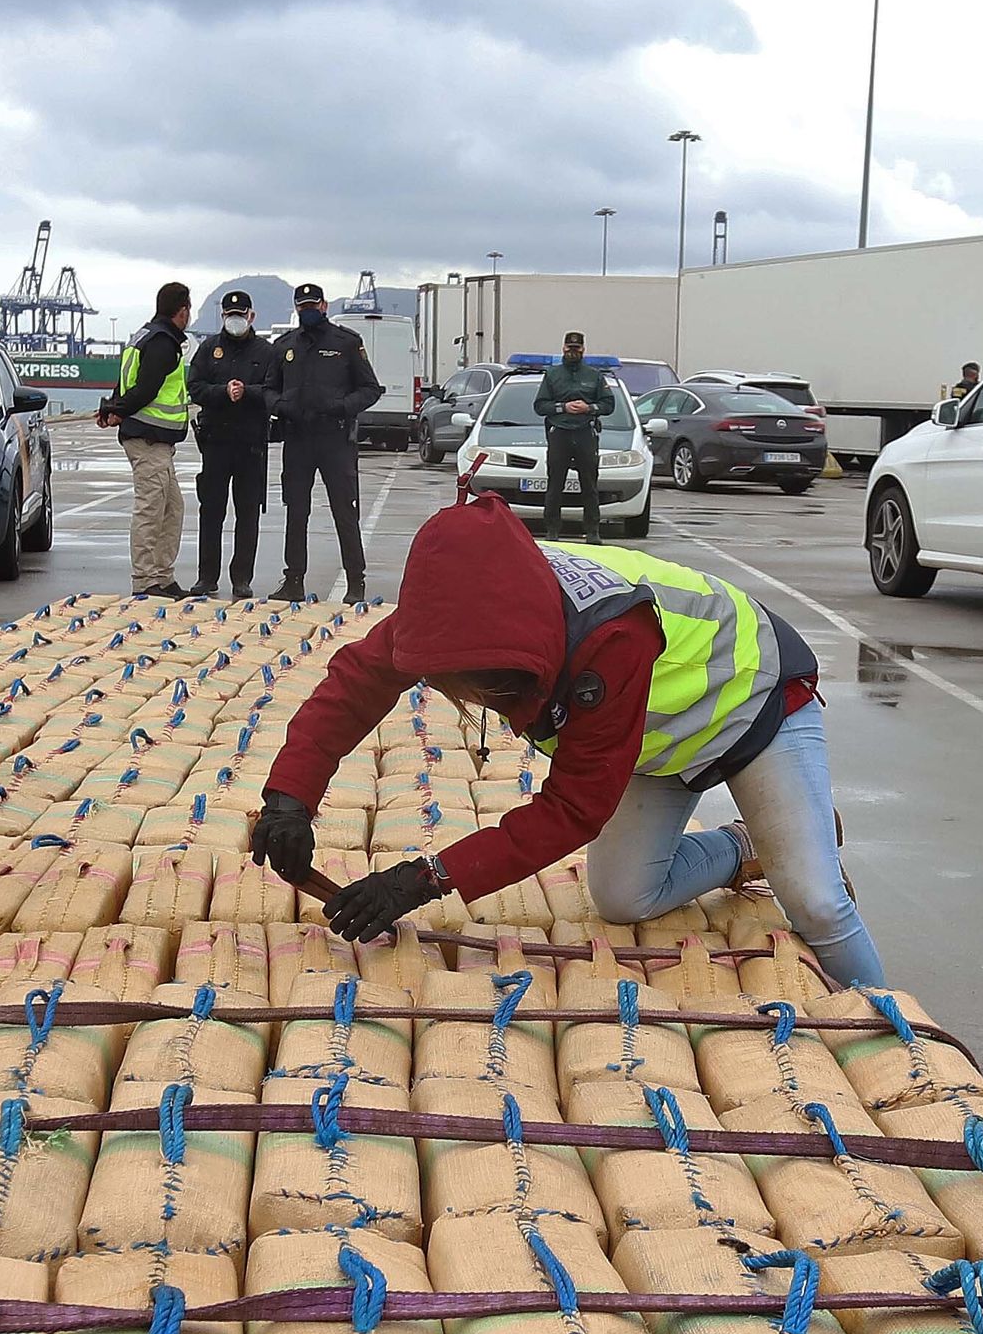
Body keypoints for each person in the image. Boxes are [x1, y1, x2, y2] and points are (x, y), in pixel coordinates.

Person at [251, 487, 884, 988]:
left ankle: (895, 1034)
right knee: (624, 897)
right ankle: (745, 846)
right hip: (649, 738)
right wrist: (289, 796)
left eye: (466, 690)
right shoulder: (461, 606)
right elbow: (359, 680)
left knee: (818, 903)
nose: (459, 699)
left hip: (755, 700)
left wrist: (425, 880)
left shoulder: (610, 641)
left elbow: (573, 809)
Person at [263, 282, 381, 602]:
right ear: (296, 308)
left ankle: (356, 582)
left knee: (345, 510)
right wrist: (279, 405)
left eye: (314, 305)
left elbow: (371, 389)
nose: (308, 310)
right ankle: (293, 581)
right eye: (303, 306)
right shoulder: (284, 345)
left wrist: (342, 406)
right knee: (296, 511)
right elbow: (268, 388)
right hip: (298, 438)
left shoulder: (346, 343)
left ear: (324, 305)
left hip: (335, 438)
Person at [99, 282, 193, 596]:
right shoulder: (162, 343)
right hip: (148, 438)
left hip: (155, 441)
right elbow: (146, 389)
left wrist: (113, 408)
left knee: (172, 508)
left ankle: (162, 576)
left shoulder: (142, 336)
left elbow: (126, 383)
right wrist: (118, 411)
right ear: (182, 311)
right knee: (152, 509)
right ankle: (146, 580)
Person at [186, 287, 271, 595]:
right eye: (229, 315)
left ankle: (241, 578)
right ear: (222, 316)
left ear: (251, 316)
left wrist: (246, 391)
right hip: (216, 442)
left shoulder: (265, 351)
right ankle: (206, 577)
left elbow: (274, 390)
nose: (235, 320)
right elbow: (195, 386)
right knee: (211, 511)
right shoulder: (209, 349)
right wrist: (223, 392)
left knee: (247, 513)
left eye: (240, 315)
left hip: (251, 443)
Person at [533, 330, 614, 541]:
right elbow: (540, 406)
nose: (573, 352)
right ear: (563, 348)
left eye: (577, 349)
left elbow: (609, 404)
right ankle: (552, 529)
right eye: (569, 348)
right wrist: (563, 407)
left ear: (583, 350)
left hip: (585, 433)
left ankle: (592, 530)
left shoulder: (594, 375)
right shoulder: (552, 375)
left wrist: (589, 408)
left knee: (589, 484)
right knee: (555, 484)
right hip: (559, 433)